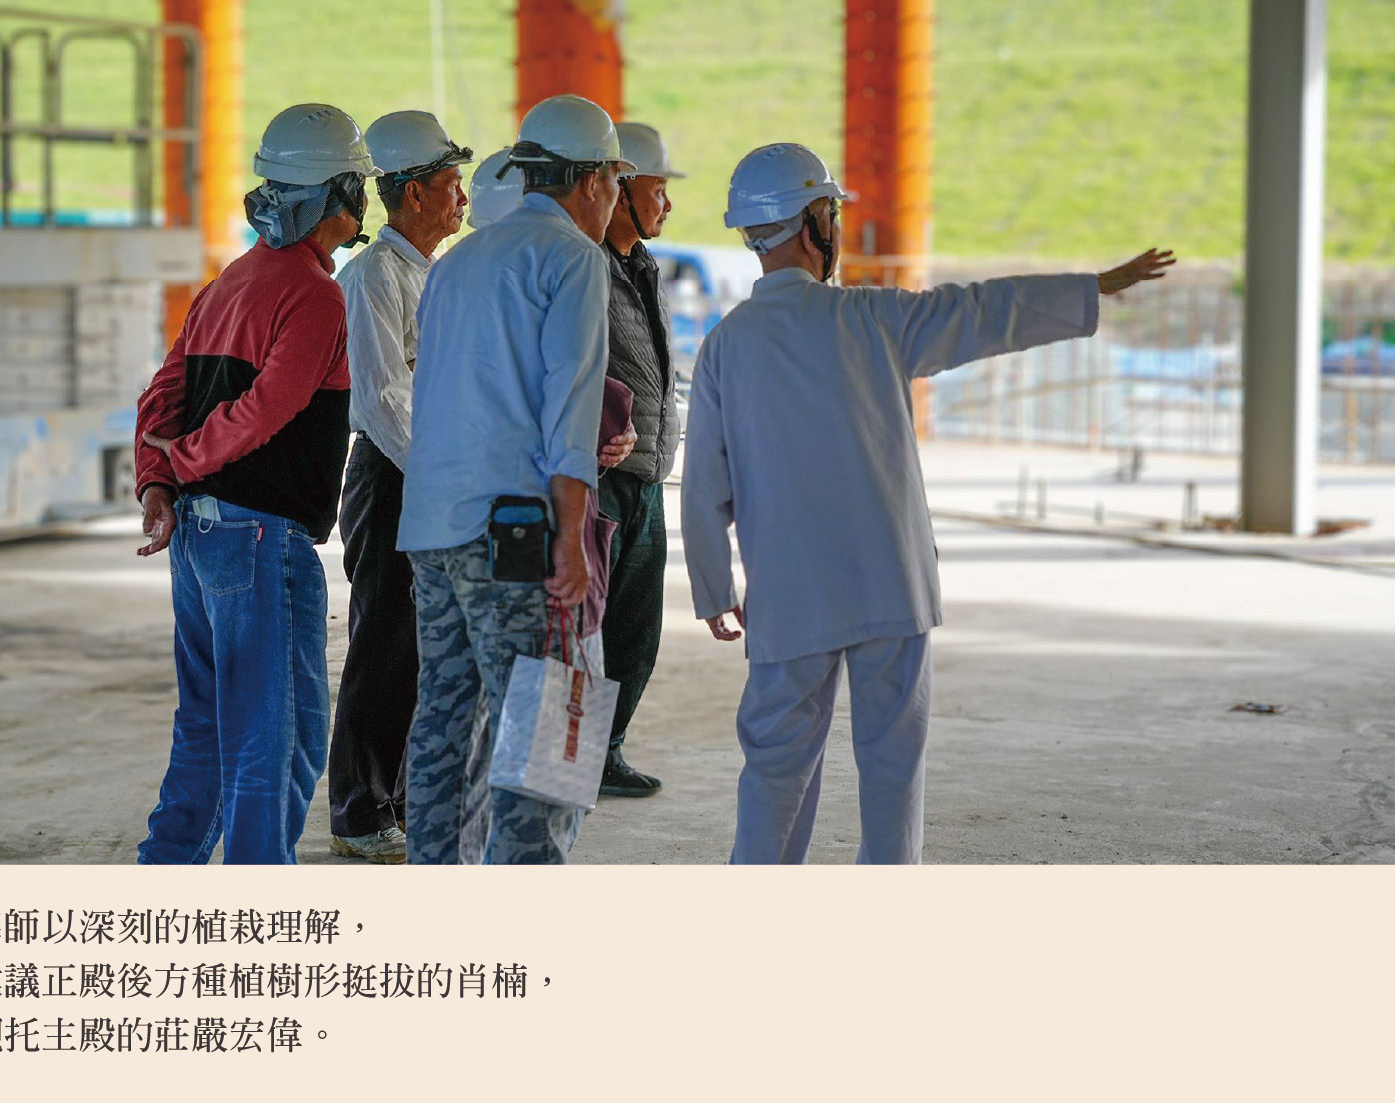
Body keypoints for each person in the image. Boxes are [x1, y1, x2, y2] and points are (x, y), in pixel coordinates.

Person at [681, 142, 1175, 864]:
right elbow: (981, 311)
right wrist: (1089, 289)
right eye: (831, 212)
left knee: (775, 769)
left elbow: (704, 483)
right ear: (814, 221)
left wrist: (712, 587)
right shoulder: (874, 319)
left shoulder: (726, 346)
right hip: (890, 584)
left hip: (790, 595)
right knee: (893, 766)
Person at [133, 104, 381, 864]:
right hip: (258, 537)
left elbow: (162, 393)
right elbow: (268, 407)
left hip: (199, 534)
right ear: (339, 194)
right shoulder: (313, 294)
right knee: (279, 739)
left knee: (209, 727)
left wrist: (159, 482)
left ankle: (163, 872)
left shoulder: (228, 283)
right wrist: (181, 464)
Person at [397, 94, 634, 864]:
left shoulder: (459, 260)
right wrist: (571, 537)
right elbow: (571, 405)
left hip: (432, 525)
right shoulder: (573, 258)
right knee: (547, 725)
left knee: (445, 720)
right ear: (593, 181)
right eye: (616, 181)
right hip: (515, 535)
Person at [326, 111, 473, 865]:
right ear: (412, 194)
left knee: (424, 645)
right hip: (394, 474)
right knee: (384, 644)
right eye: (451, 184)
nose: (462, 199)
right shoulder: (375, 277)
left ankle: (409, 800)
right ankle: (359, 808)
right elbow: (386, 398)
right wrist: (446, 479)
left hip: (432, 468)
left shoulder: (436, 274)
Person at [594, 122, 687, 798]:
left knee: (634, 632)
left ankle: (604, 751)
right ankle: (561, 764)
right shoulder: (584, 264)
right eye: (657, 190)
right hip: (598, 475)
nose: (667, 204)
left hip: (646, 476)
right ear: (621, 188)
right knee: (578, 631)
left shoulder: (643, 265)